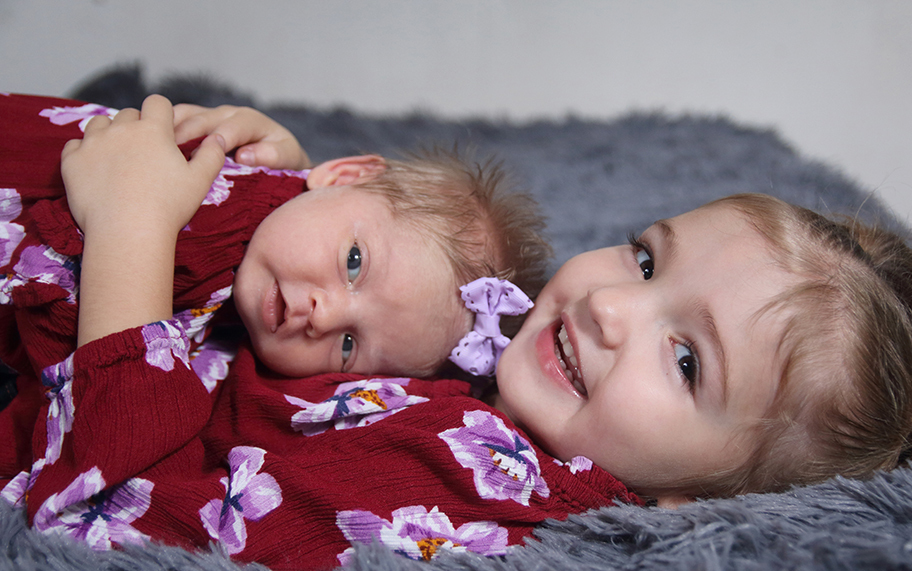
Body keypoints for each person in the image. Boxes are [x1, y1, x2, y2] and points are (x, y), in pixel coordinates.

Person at [0, 96, 912, 571]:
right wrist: (296, 199)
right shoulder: (518, 355)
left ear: (688, 499)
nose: (608, 305)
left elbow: (100, 514)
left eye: (685, 359)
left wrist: (136, 228)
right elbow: (403, 265)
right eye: (645, 260)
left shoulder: (448, 489)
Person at [0, 92, 551, 424]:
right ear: (345, 175)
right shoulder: (215, 201)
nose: (324, 315)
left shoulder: (234, 346)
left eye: (349, 346)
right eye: (354, 263)